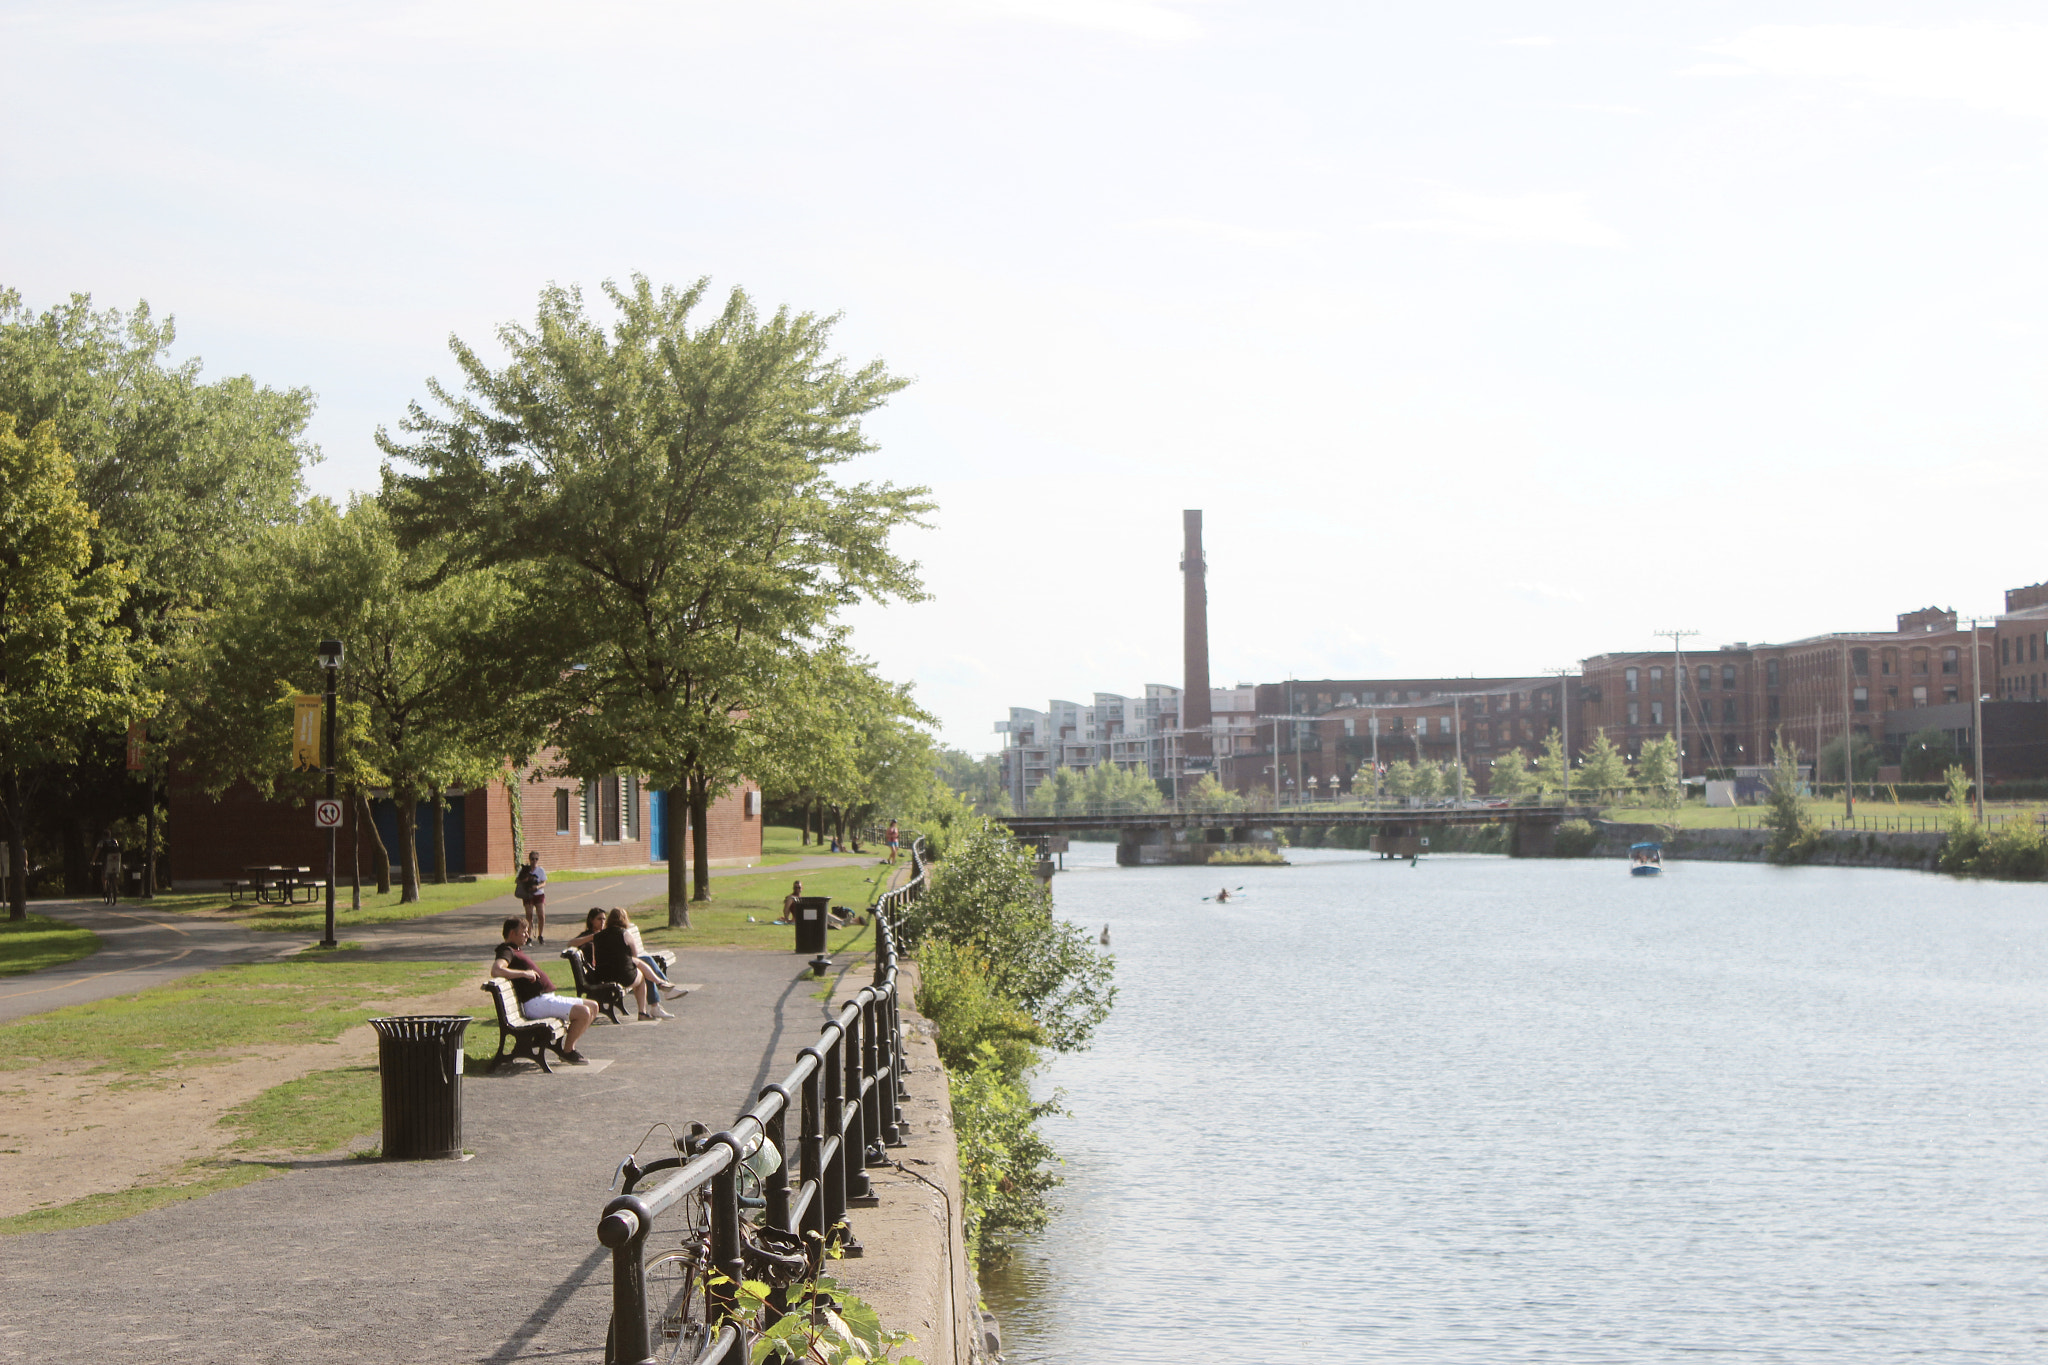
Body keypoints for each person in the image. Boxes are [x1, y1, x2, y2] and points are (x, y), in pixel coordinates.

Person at [492, 918, 595, 1062]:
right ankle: (568, 1051)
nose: (527, 935)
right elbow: (497, 970)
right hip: (535, 1003)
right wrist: (524, 973)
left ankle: (567, 1048)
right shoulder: (506, 951)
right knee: (584, 1012)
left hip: (545, 998)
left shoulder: (515, 950)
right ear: (512, 933)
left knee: (593, 1006)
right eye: (524, 932)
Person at [570, 908, 672, 1020]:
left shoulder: (598, 936)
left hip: (603, 974)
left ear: (609, 920)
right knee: (642, 972)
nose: (602, 922)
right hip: (619, 976)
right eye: (600, 919)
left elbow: (573, 943)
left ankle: (661, 985)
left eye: (604, 919)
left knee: (645, 961)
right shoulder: (622, 934)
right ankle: (649, 1003)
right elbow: (634, 956)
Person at [516, 851, 548, 944]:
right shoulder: (525, 869)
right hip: (528, 894)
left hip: (539, 894)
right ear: (529, 859)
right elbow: (517, 880)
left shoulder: (540, 870)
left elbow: (544, 882)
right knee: (529, 916)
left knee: (541, 915)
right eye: (532, 859)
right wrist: (525, 880)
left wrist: (537, 887)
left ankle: (540, 935)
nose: (534, 861)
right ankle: (528, 937)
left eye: (536, 859)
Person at [98, 834, 122, 906]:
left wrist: (93, 861)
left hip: (106, 860)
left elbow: (97, 851)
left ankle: (105, 890)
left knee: (103, 875)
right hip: (116, 860)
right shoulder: (114, 841)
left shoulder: (102, 842)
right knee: (115, 873)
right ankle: (115, 886)